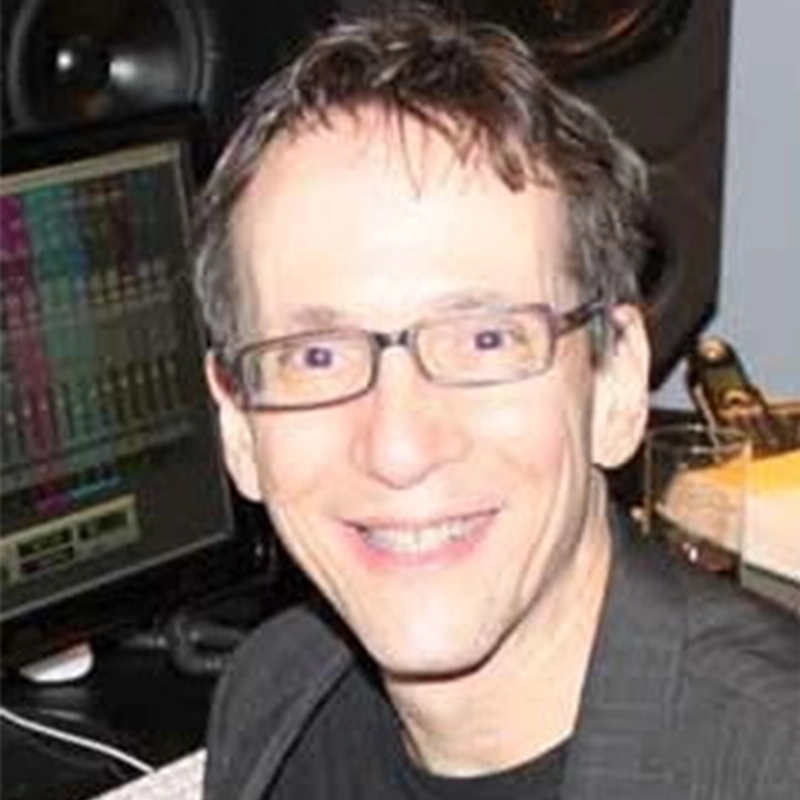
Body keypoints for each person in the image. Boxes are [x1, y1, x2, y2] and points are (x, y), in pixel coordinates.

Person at [193, 6, 799, 799]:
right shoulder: (274, 694)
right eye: (317, 356)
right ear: (239, 427)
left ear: (615, 384)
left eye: (485, 340)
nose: (399, 446)